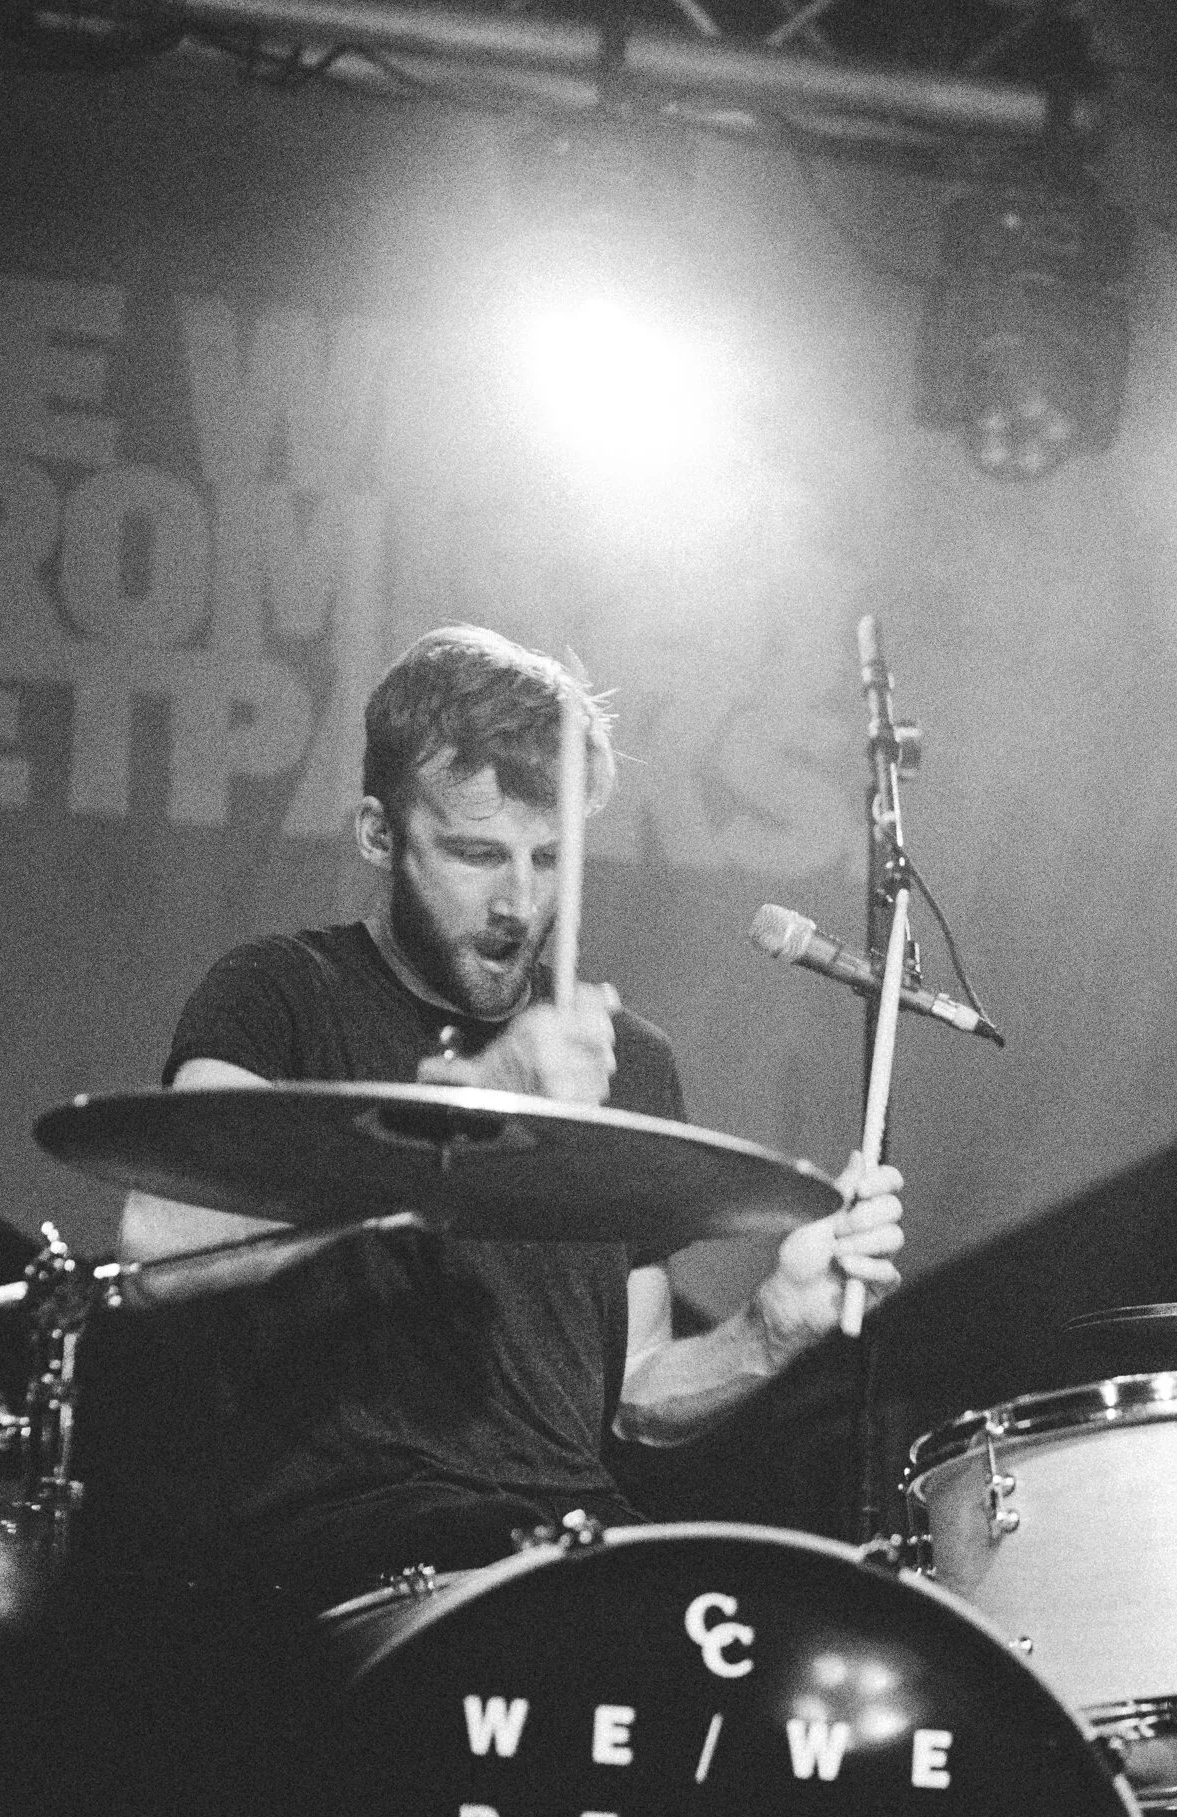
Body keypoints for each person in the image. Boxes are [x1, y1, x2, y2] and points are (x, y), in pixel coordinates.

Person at [119, 624, 903, 1610]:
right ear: (378, 834)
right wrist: (474, 1105)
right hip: (348, 1555)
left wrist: (773, 1326)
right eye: (476, 853)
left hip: (568, 1548)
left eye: (550, 857)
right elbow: (158, 1249)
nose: (519, 903)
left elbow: (636, 1395)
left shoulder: (625, 1059)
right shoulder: (281, 993)